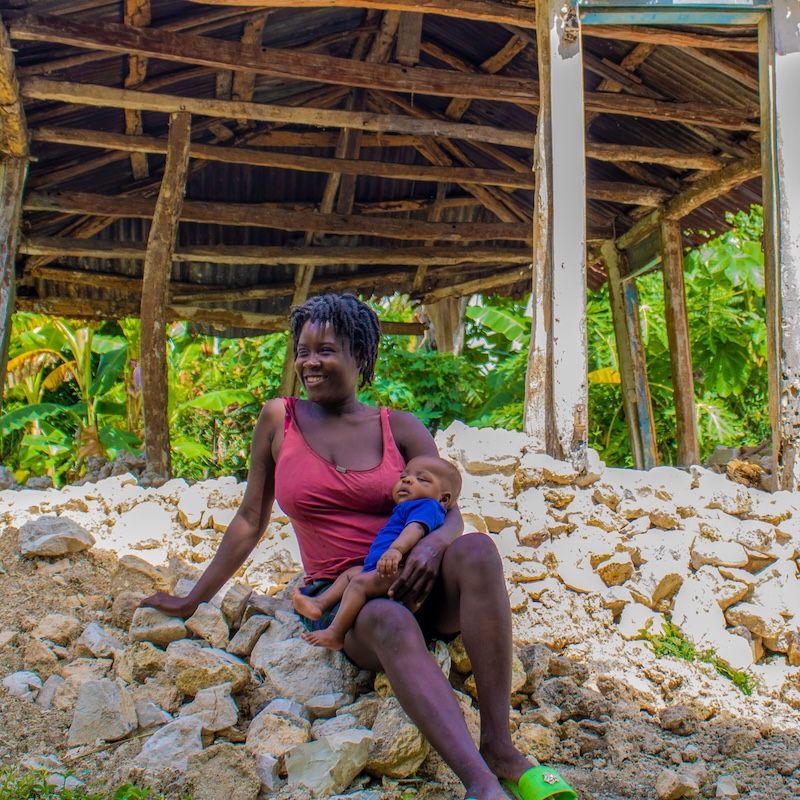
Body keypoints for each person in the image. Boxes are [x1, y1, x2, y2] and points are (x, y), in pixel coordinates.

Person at [141, 293, 575, 800]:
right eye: (302, 351)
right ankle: (481, 784)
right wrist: (192, 598)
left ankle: (500, 746)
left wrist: (434, 546)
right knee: (389, 620)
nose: (309, 362)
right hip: (348, 598)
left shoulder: (401, 428)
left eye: (324, 350)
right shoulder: (279, 420)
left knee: (477, 550)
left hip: (417, 583)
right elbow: (249, 519)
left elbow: (447, 506)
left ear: (360, 356)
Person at [292, 454, 462, 650]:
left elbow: (415, 529)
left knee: (358, 584)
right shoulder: (408, 507)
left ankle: (336, 633)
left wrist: (396, 550)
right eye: (403, 476)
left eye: (421, 479)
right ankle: (319, 604)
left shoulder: (428, 506)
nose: (407, 480)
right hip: (382, 566)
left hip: (400, 568)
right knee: (350, 574)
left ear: (444, 498)